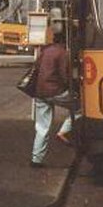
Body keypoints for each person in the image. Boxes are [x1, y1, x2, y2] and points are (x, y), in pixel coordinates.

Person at [30, 30, 77, 168]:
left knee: (42, 127)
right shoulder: (63, 53)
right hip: (55, 91)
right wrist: (73, 88)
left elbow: (36, 69)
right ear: (65, 41)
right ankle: (64, 132)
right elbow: (64, 76)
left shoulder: (44, 51)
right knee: (81, 107)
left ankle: (36, 159)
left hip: (40, 92)